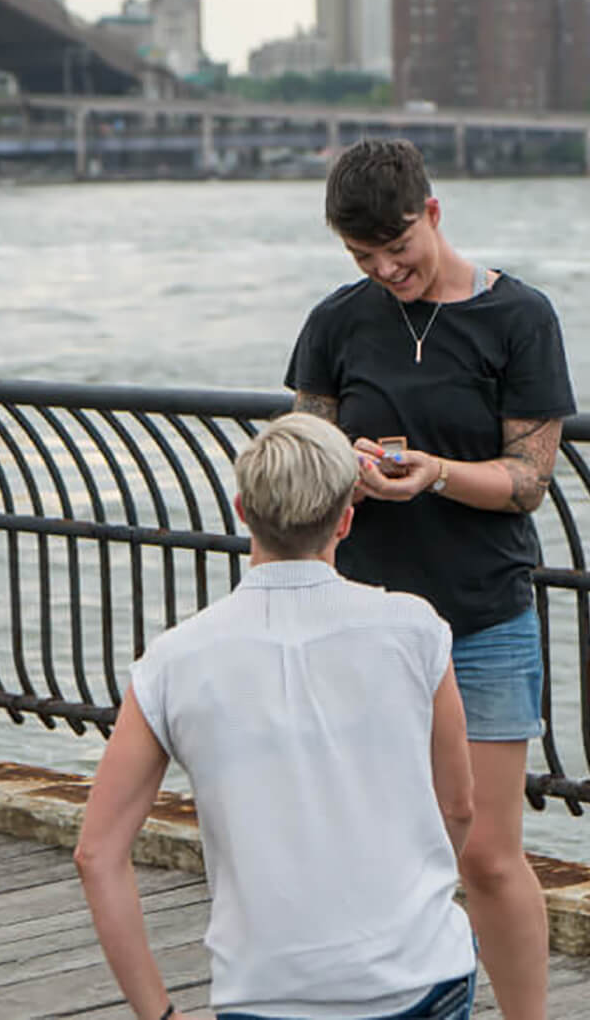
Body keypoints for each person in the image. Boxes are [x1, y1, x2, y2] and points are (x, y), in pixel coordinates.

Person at [285, 139, 576, 1020]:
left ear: (433, 213)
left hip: (482, 620)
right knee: (375, 844)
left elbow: (528, 481)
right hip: (362, 621)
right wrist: (353, 470)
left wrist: (438, 471)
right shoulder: (336, 323)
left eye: (397, 250)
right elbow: (308, 458)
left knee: (486, 853)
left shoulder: (519, 318)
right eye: (362, 258)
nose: (386, 271)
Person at [75, 411, 478, 1020]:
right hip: (421, 974)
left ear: (242, 510)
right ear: (346, 518)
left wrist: (157, 1015)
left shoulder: (173, 661)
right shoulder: (416, 628)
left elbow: (98, 855)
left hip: (269, 991)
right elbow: (459, 806)